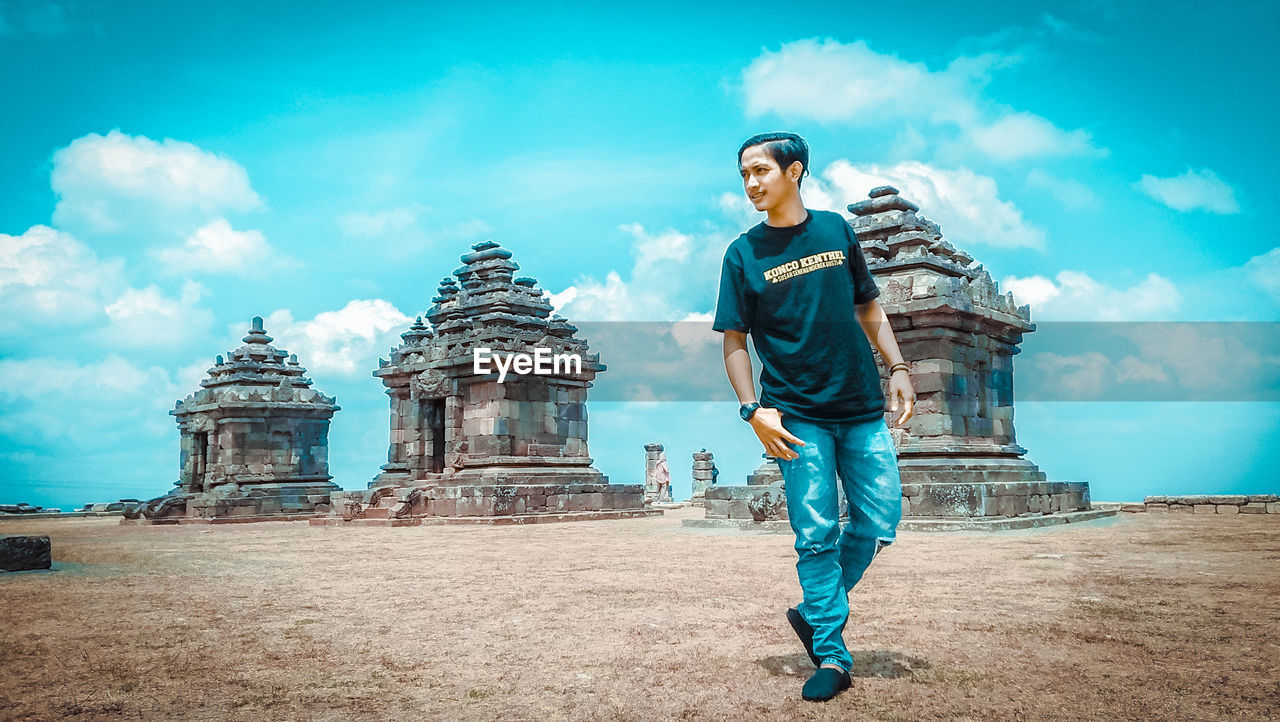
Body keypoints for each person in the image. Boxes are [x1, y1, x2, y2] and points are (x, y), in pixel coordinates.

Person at [712, 131, 915, 703]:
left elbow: (866, 304)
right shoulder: (742, 252)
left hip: (860, 405)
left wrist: (898, 366)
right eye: (743, 175)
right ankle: (831, 653)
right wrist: (753, 411)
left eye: (760, 171)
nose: (751, 183)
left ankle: (813, 610)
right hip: (795, 415)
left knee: (879, 521)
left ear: (794, 171)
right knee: (816, 535)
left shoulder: (835, 230)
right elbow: (733, 340)